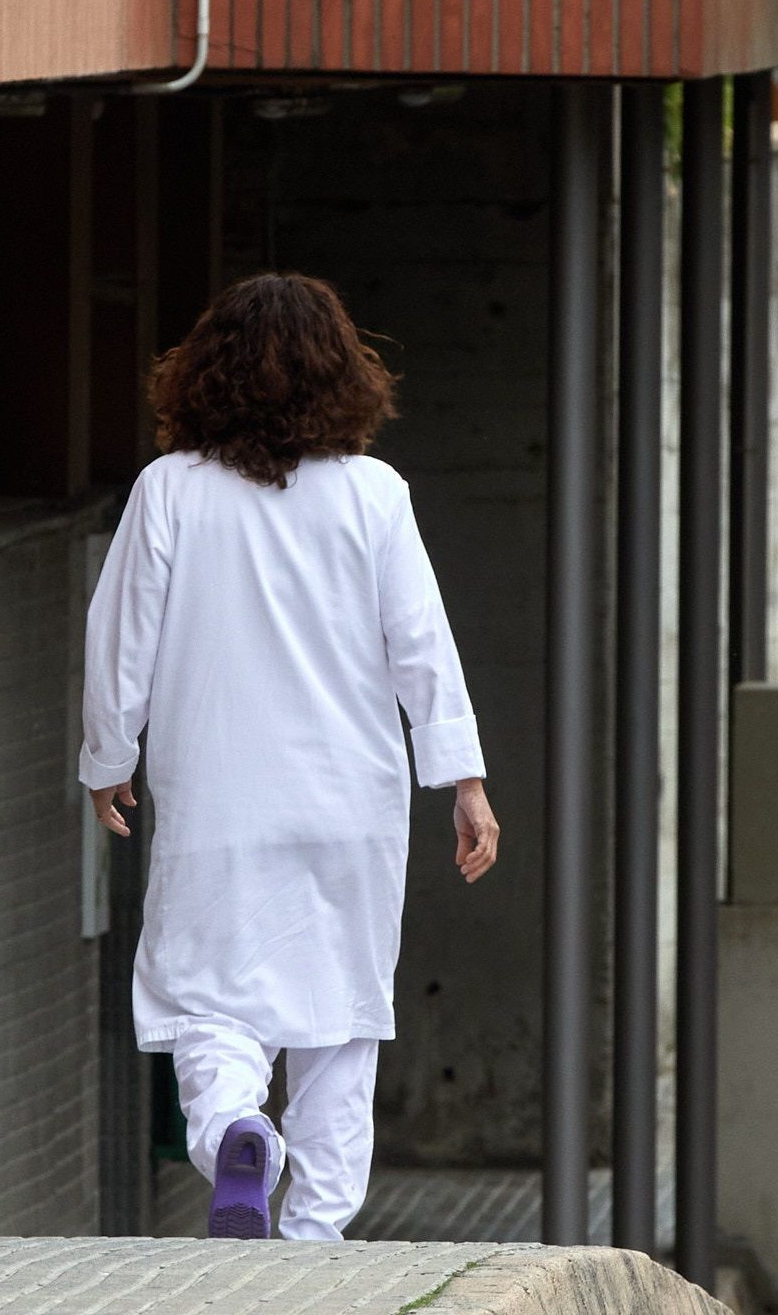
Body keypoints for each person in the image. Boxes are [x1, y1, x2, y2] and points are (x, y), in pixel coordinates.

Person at [77, 273, 499, 1241]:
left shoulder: (169, 490)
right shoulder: (375, 493)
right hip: (352, 800)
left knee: (206, 997)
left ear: (204, 372)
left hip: (218, 800)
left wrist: (109, 752)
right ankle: (315, 1236)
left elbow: (121, 637)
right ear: (343, 373)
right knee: (342, 1012)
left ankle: (234, 1128)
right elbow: (420, 646)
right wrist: (464, 781)